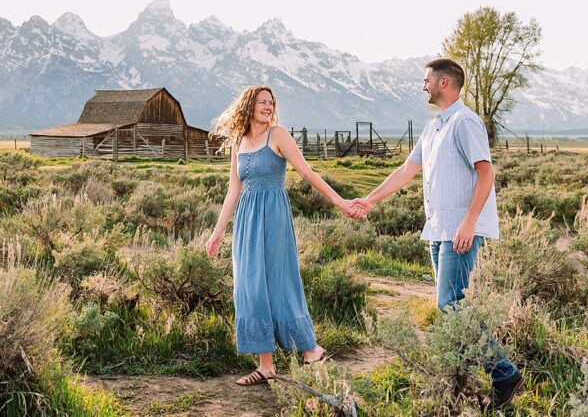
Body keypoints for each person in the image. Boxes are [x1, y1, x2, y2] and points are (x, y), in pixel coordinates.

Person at [351, 58, 523, 409]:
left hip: (460, 230)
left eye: (426, 80)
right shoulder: (433, 127)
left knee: (451, 305)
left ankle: (503, 372)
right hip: (439, 229)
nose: (423, 85)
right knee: (451, 307)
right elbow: (406, 171)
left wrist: (470, 221)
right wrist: (369, 200)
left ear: (444, 83)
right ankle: (459, 377)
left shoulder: (465, 122)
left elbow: (486, 173)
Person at [206, 85, 366, 386]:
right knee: (250, 288)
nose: (267, 106)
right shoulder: (239, 141)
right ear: (248, 106)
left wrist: (341, 202)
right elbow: (234, 189)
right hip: (246, 222)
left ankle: (310, 350)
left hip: (274, 217)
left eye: (271, 102)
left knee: (279, 284)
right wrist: (217, 233)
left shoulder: (278, 135)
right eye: (261, 102)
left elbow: (307, 173)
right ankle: (266, 366)